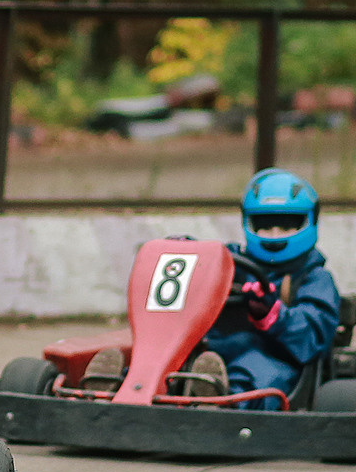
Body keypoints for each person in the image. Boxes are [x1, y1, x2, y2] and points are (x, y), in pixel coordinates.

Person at [88, 167, 341, 408]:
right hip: (214, 351)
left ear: (309, 222)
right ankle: (117, 387)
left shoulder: (315, 279)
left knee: (253, 373)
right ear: (248, 223)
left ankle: (221, 402)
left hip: (273, 357)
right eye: (265, 224)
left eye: (286, 225)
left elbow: (311, 339)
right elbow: (203, 261)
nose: (274, 234)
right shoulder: (230, 261)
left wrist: (271, 314)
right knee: (172, 361)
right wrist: (185, 251)